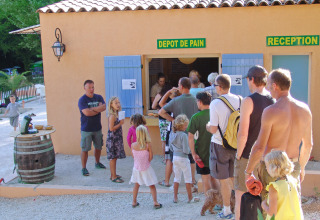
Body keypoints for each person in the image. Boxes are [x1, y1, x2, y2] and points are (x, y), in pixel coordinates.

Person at [245, 68, 313, 201]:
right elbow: (308, 145)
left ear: (275, 85)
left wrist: (248, 172)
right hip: (292, 166)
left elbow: (259, 147)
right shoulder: (305, 110)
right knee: (290, 209)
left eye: (268, 84)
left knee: (271, 210)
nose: (268, 87)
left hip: (272, 167)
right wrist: (302, 168)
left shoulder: (271, 111)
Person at [234, 65, 275, 220]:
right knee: (264, 196)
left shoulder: (248, 101)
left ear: (251, 79)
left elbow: (242, 133)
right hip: (267, 156)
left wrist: (238, 155)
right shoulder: (273, 100)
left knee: (241, 196)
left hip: (248, 155)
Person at [206, 74, 242, 219]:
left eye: (215, 86)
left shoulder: (215, 103)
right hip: (237, 144)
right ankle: (238, 208)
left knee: (224, 179)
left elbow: (213, 129)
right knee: (234, 178)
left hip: (220, 144)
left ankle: (226, 210)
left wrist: (207, 126)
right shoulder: (241, 99)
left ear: (219, 87)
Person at [158, 77, 199, 188]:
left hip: (177, 134)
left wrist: (173, 121)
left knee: (171, 158)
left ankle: (168, 181)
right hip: (191, 133)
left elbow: (161, 111)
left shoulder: (176, 100)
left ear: (181, 86)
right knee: (191, 158)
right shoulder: (196, 100)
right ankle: (192, 181)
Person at [187, 91, 220, 194]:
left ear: (200, 102)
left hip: (201, 153)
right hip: (216, 152)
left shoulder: (196, 117)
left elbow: (190, 137)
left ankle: (209, 205)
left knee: (206, 180)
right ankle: (220, 202)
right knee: (215, 178)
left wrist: (193, 153)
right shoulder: (216, 115)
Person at [262, 150, 303, 220]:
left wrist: (264, 205)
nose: (266, 169)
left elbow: (272, 213)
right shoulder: (293, 181)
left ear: (274, 168)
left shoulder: (274, 187)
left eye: (267, 166)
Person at [129, 125, 162, 209]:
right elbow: (151, 157)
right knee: (152, 185)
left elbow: (133, 156)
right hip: (146, 167)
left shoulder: (133, 145)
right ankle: (155, 202)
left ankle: (134, 201)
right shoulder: (148, 145)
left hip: (136, 168)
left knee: (136, 185)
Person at [78, 80, 106, 176]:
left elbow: (104, 107)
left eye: (93, 87)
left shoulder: (98, 97)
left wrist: (92, 109)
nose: (91, 89)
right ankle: (84, 168)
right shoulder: (82, 100)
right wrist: (97, 109)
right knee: (85, 149)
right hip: (86, 129)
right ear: (84, 88)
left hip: (97, 128)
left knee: (98, 147)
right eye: (89, 87)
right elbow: (87, 113)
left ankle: (97, 163)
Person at [169, 114, 200, 203]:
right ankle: (190, 197)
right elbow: (186, 150)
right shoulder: (184, 135)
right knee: (188, 178)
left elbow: (170, 147)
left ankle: (175, 197)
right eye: (186, 125)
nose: (187, 127)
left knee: (176, 178)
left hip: (175, 157)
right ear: (182, 125)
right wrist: (192, 151)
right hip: (184, 158)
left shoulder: (172, 134)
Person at [106, 96, 126, 183]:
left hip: (117, 138)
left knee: (115, 158)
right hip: (113, 139)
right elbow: (111, 128)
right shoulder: (112, 116)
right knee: (112, 158)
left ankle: (113, 174)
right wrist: (120, 124)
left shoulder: (117, 114)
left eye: (118, 103)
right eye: (115, 103)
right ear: (111, 105)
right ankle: (113, 176)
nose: (118, 104)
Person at [152, 84, 173, 161]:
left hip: (162, 119)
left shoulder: (159, 95)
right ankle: (171, 157)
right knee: (171, 138)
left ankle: (165, 158)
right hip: (171, 118)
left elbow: (153, 106)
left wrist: (159, 108)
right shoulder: (173, 96)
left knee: (164, 140)